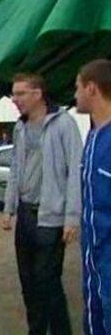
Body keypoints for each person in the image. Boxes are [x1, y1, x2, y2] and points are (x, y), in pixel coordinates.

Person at [0, 73, 82, 335]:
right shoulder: (20, 127)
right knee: (28, 281)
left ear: (38, 94)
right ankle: (36, 330)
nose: (15, 100)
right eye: (13, 94)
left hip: (50, 217)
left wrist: (71, 217)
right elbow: (15, 168)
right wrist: (8, 207)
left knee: (47, 280)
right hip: (25, 215)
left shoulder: (63, 125)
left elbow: (75, 172)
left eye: (20, 93)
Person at [74, 59, 111, 335]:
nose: (74, 95)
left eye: (77, 88)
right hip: (93, 263)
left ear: (91, 88)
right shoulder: (92, 137)